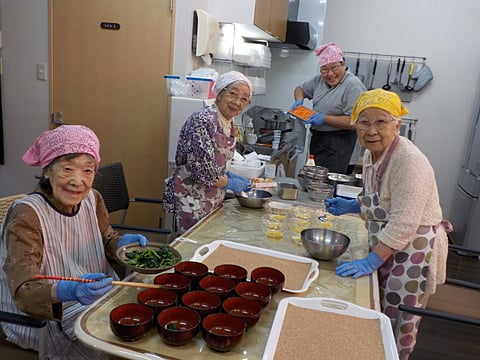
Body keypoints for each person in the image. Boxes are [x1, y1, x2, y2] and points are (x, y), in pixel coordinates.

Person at [0, 125, 148, 359]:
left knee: (146, 321)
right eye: (67, 169)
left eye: (88, 171)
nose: (77, 181)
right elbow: (23, 290)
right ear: (47, 170)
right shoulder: (27, 215)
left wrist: (121, 245)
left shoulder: (92, 199)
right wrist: (68, 290)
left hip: (97, 295)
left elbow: (106, 238)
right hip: (48, 315)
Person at [325, 89, 451, 359]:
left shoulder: (409, 161)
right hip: (389, 243)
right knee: (377, 306)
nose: (371, 130)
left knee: (398, 320)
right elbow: (382, 197)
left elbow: (405, 221)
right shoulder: (373, 154)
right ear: (355, 124)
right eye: (364, 121)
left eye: (381, 122)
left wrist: (371, 261)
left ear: (397, 125)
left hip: (414, 249)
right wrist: (354, 205)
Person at [163, 71, 252, 233]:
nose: (237, 102)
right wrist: (230, 183)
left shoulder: (227, 122)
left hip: (211, 197)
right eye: (233, 94)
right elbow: (201, 171)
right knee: (189, 249)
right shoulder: (202, 120)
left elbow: (215, 162)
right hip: (191, 198)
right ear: (219, 94)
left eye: (244, 99)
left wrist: (228, 175)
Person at [291, 42, 366, 174]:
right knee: (314, 180)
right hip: (319, 140)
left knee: (327, 185)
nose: (330, 74)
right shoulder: (319, 80)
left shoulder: (353, 87)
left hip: (340, 144)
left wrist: (324, 118)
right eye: (324, 69)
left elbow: (355, 121)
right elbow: (300, 89)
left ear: (343, 64)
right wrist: (299, 101)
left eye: (334, 67)